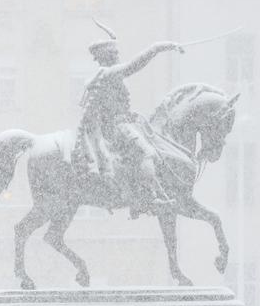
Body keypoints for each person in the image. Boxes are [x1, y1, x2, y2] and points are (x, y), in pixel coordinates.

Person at [72, 31, 183, 211]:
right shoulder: (109, 73)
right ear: (108, 56)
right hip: (118, 127)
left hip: (122, 123)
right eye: (114, 54)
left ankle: (138, 191)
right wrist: (159, 47)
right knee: (148, 153)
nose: (117, 57)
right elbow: (135, 65)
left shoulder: (104, 74)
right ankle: (148, 197)